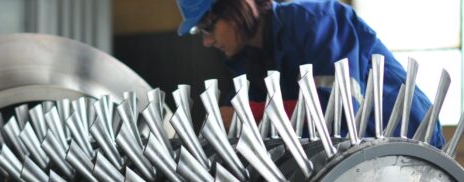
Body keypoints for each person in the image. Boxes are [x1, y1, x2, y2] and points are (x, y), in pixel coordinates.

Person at [176, 0, 445, 148]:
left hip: (408, 138)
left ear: (237, 6)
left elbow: (339, 112)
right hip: (364, 151)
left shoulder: (317, 21)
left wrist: (251, 114)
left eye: (207, 27)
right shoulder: (250, 60)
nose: (207, 41)